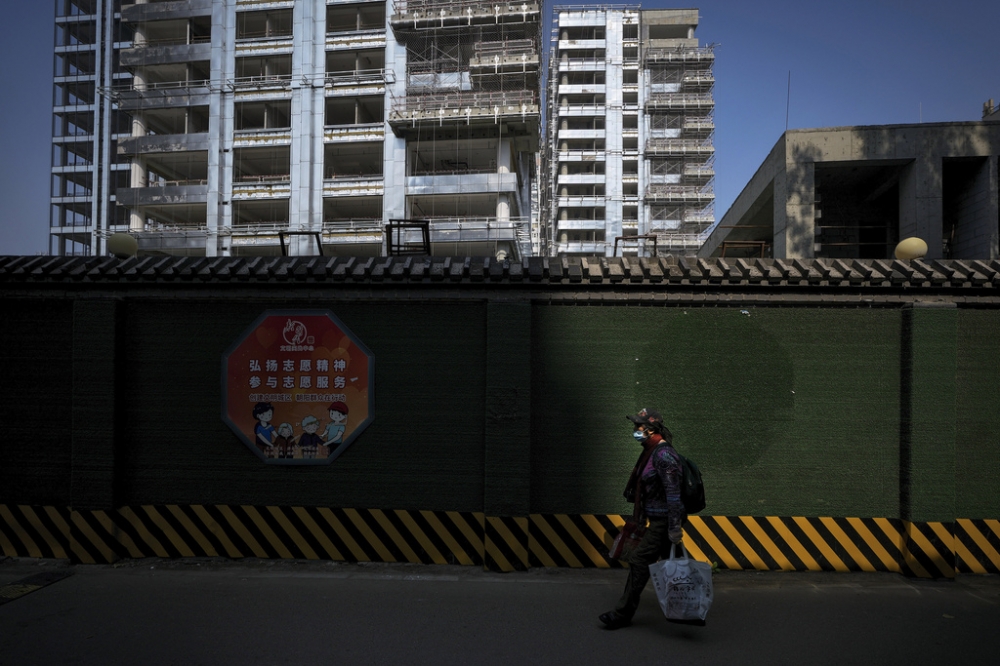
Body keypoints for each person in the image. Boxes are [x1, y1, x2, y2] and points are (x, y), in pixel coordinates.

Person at [599, 408, 686, 630]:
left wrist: (674, 527)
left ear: (650, 429)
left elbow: (674, 495)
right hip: (656, 519)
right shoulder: (649, 452)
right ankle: (685, 607)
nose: (635, 430)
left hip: (664, 521)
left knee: (640, 561)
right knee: (673, 564)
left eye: (638, 426)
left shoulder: (664, 455)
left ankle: (622, 614)